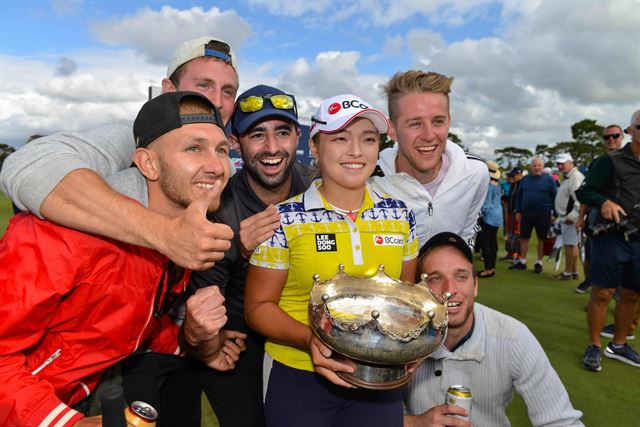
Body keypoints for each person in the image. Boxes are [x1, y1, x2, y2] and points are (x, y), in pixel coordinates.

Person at [0, 36, 242, 424]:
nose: (216, 166)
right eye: (194, 148)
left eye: (221, 151)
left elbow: (135, 316)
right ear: (146, 163)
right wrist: (65, 422)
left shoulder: (178, 234)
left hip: (80, 391)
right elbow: (28, 165)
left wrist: (192, 341)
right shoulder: (62, 233)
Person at [244, 94, 418, 426]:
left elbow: (405, 300)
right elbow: (258, 307)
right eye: (340, 138)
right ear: (314, 146)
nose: (356, 151)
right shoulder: (283, 218)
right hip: (297, 374)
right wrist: (310, 339)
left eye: (368, 139)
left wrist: (411, 349)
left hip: (378, 380)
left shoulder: (401, 216)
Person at [0, 36, 238, 270]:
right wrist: (165, 234)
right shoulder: (134, 136)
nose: (217, 101)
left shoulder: (223, 164)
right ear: (168, 90)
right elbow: (29, 163)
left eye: (228, 91)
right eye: (203, 85)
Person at [184, 85, 316, 427]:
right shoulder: (218, 203)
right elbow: (201, 300)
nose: (272, 148)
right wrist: (238, 250)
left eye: (282, 133)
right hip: (240, 338)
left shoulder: (317, 188)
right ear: (236, 142)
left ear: (297, 137)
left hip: (305, 328)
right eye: (257, 135)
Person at [403, 232, 584, 427]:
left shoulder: (513, 337)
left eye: (461, 276)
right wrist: (415, 423)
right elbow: (369, 417)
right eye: (435, 279)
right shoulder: (399, 336)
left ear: (475, 286)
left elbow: (561, 421)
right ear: (419, 290)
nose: (450, 289)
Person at [368, 70, 489, 248]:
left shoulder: (475, 172)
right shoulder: (368, 178)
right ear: (392, 129)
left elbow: (465, 239)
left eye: (438, 121)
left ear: (449, 121)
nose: (429, 135)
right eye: (415, 124)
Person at [577, 110, 640, 371]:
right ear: (631, 130)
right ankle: (594, 345)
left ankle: (619, 344)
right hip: (612, 236)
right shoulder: (610, 161)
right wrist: (604, 201)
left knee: (632, 293)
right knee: (603, 292)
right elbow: (585, 190)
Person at [575, 125, 625, 293]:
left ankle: (617, 299)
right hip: (598, 218)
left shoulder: (631, 161)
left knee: (623, 264)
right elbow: (586, 191)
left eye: (615, 136)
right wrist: (581, 217)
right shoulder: (599, 162)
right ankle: (591, 284)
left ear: (622, 136)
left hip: (627, 220)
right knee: (592, 257)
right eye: (607, 137)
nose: (611, 139)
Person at [510, 158, 557, 273]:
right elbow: (519, 197)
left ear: (543, 166)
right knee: (524, 238)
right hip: (526, 213)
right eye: (534, 165)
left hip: (544, 213)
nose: (536, 168)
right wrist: (518, 211)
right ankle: (522, 261)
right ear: (531, 167)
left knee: (541, 238)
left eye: (539, 165)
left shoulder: (549, 180)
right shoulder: (525, 180)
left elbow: (555, 197)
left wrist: (554, 214)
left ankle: (539, 262)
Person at [552, 153, 584, 280]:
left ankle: (567, 272)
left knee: (570, 245)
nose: (560, 166)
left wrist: (572, 216)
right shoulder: (569, 177)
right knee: (571, 244)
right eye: (558, 164)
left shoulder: (575, 177)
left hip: (570, 217)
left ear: (571, 163)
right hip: (566, 216)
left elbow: (579, 200)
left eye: (562, 163)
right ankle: (574, 271)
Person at [477, 160, 503, 278]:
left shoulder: (488, 185)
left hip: (489, 217)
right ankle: (491, 268)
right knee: (492, 243)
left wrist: (478, 214)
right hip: (497, 216)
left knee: (486, 243)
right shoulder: (498, 183)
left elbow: (486, 205)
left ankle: (488, 270)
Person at [501, 167, 523, 261]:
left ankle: (519, 255)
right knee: (511, 233)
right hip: (511, 212)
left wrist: (519, 211)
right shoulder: (514, 184)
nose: (512, 177)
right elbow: (510, 198)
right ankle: (511, 252)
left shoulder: (523, 185)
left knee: (518, 235)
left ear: (520, 175)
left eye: (514, 175)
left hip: (519, 214)